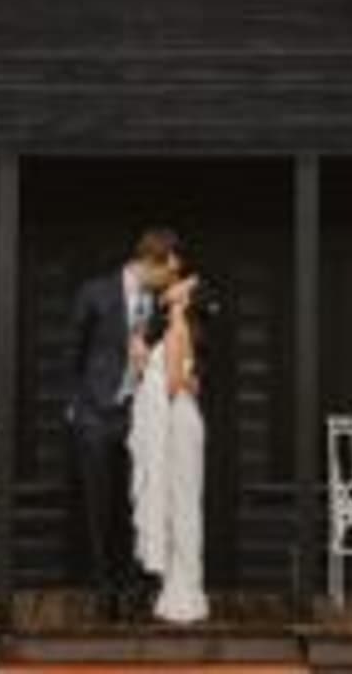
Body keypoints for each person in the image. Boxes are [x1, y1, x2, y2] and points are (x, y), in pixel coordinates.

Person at [66, 227, 182, 622]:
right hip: (96, 417)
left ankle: (136, 588)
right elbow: (73, 353)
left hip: (141, 419)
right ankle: (104, 589)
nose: (172, 278)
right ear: (152, 262)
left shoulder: (162, 303)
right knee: (100, 508)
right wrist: (77, 407)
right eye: (168, 270)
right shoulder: (94, 292)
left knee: (139, 505)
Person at [127, 259, 210, 623]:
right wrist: (145, 363)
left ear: (184, 299)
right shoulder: (174, 329)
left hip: (177, 422)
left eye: (177, 290)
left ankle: (185, 589)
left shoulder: (178, 327)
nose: (168, 292)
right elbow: (189, 382)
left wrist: (149, 372)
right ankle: (180, 584)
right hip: (178, 418)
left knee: (183, 503)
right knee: (179, 502)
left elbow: (175, 384)